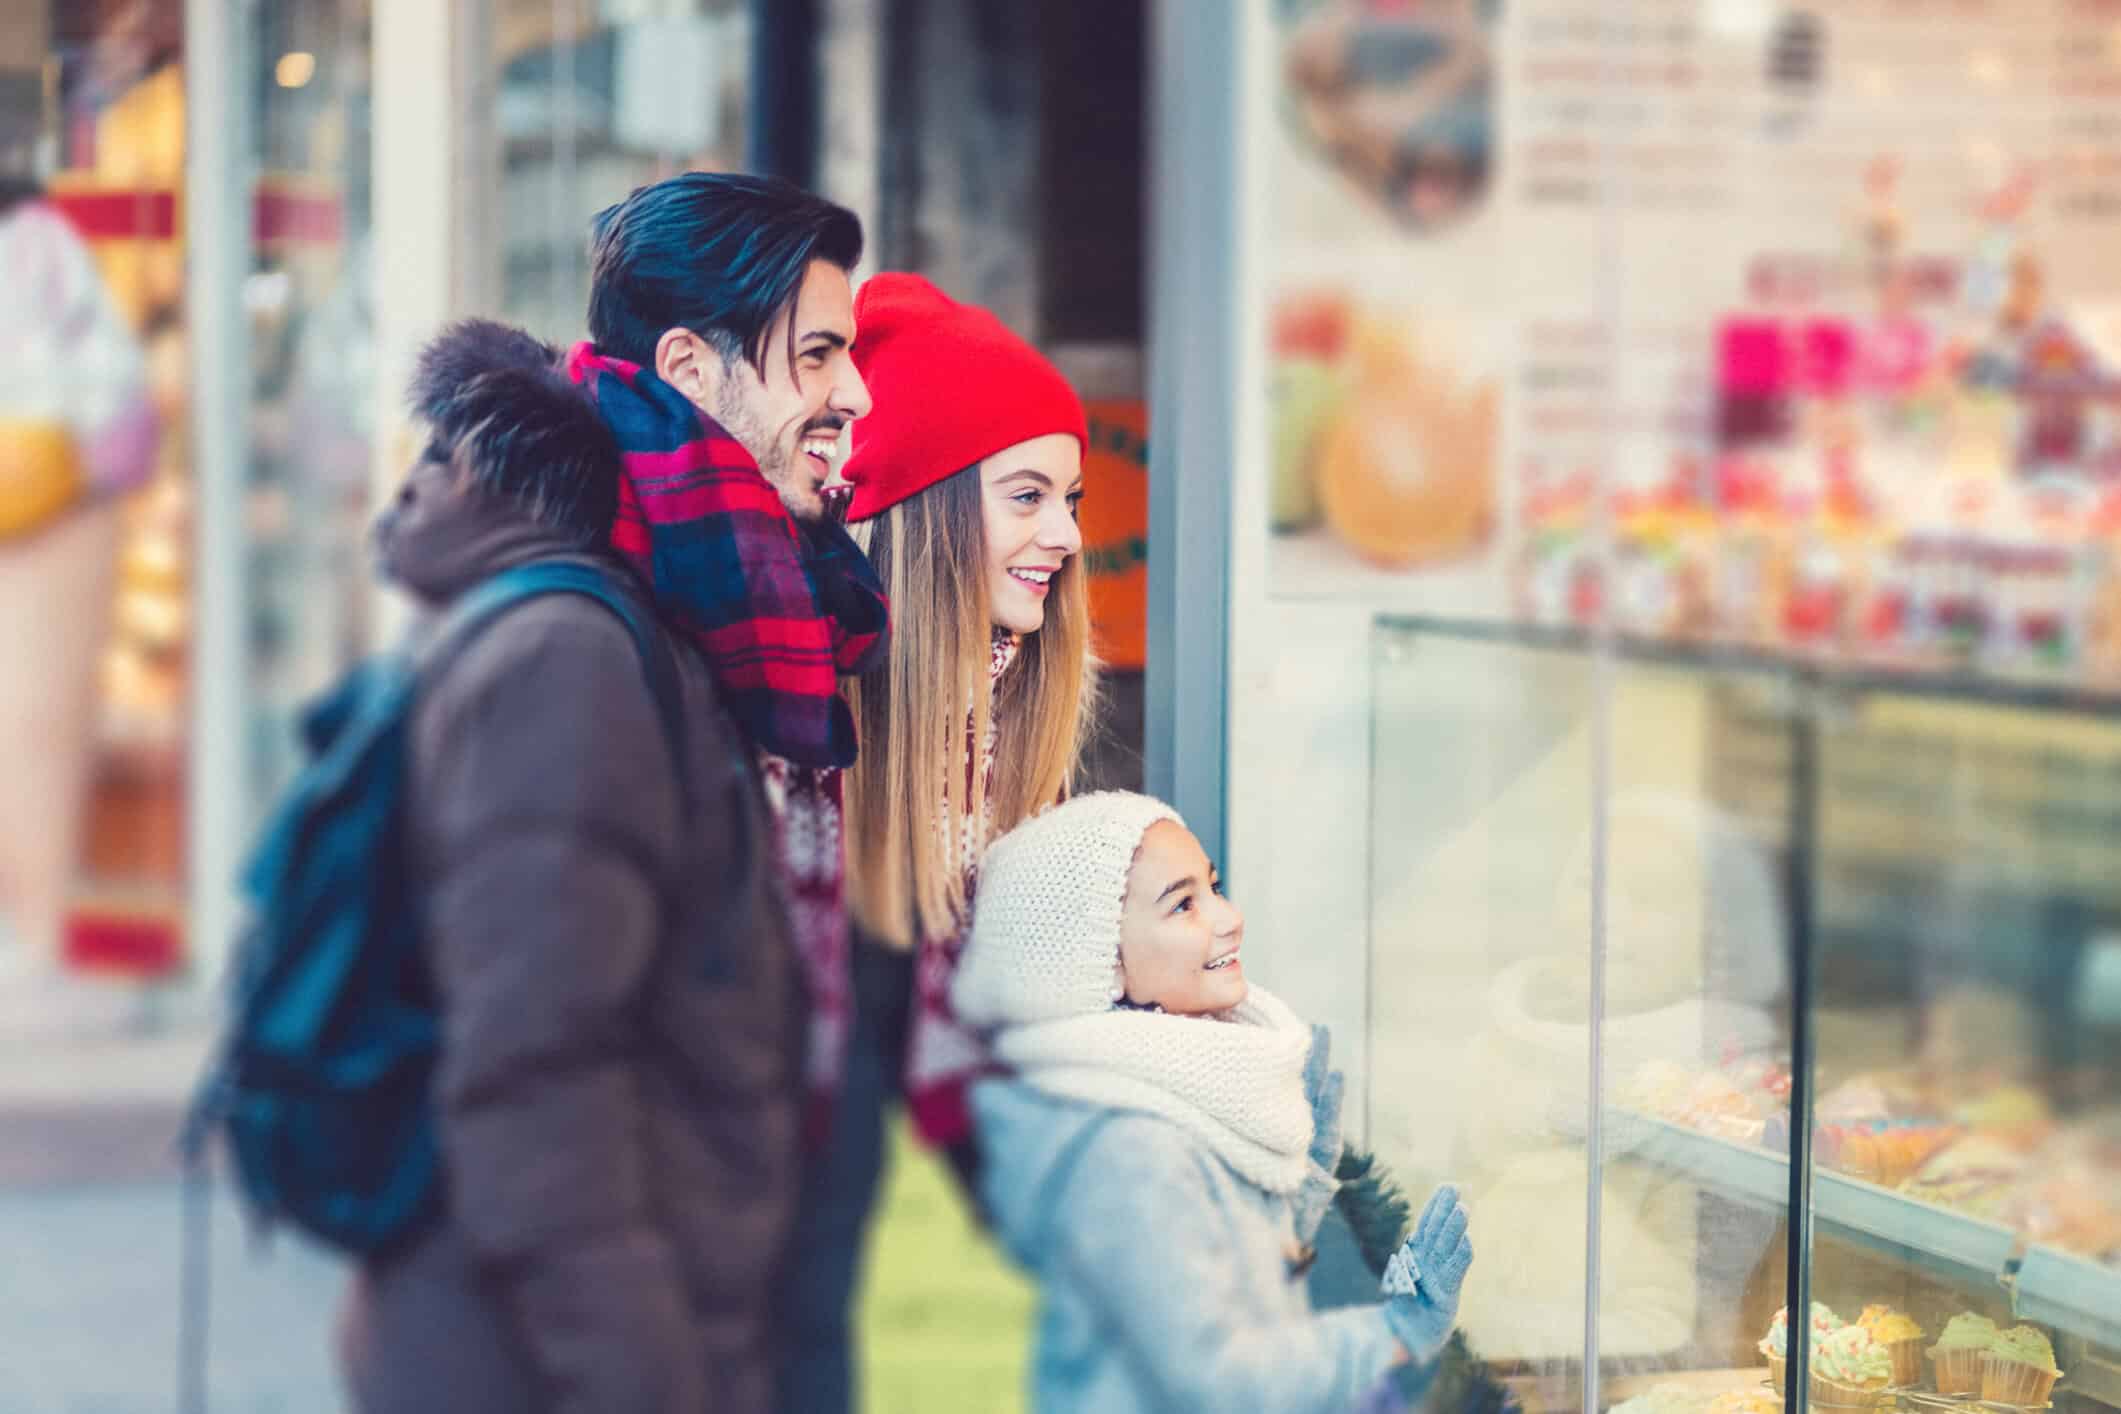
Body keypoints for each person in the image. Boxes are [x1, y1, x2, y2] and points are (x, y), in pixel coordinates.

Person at [337, 320, 795, 1414]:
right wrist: (638, 1377)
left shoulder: (544, 631)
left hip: (510, 1315)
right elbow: (535, 1066)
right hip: (530, 1348)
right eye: (807, 355)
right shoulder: (565, 657)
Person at [773, 272, 1099, 1410]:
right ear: (925, 514)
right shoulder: (797, 762)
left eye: (1070, 498)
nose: (1066, 535)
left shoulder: (998, 754)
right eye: (1027, 496)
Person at [950, 791, 1476, 1413]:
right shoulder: (1129, 1149)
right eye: (1183, 904)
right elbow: (1220, 1383)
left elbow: (1201, 1281)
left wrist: (1297, 1191)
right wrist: (1396, 1333)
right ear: (1101, 963)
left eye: (1214, 886)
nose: (1229, 917)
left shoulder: (1163, 1095)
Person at [0, 147, 158, 1014]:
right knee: (31, 726)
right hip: (54, 475)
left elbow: (86, 393)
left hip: (55, 485)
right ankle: (30, 941)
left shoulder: (31, 245)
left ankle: (35, 942)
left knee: (33, 727)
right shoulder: (38, 245)